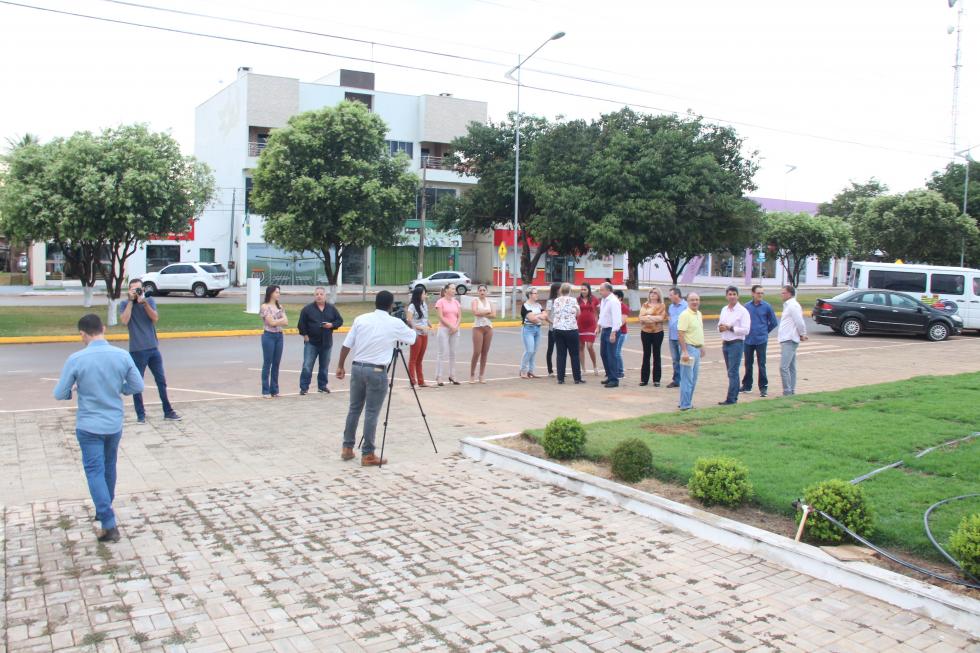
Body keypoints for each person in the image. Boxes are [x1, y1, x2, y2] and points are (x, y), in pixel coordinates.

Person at [53, 314, 144, 543]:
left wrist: (73, 390)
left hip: (89, 425)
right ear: (103, 328)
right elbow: (137, 385)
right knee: (109, 466)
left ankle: (108, 522)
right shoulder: (122, 355)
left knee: (94, 471)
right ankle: (105, 508)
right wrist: (121, 389)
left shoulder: (76, 359)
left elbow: (59, 393)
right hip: (113, 423)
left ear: (82, 334)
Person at [336, 291, 417, 466]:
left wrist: (340, 365)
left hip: (357, 367)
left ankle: (347, 447)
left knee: (354, 409)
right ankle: (368, 453)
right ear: (390, 305)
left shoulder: (361, 319)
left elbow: (346, 345)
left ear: (375, 303)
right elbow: (412, 338)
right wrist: (407, 322)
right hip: (376, 371)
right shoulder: (394, 323)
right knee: (371, 412)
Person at [119, 278, 180, 423]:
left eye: (138, 289)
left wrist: (144, 302)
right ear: (129, 290)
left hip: (153, 348)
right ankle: (140, 415)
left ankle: (168, 411)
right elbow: (124, 320)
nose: (136, 292)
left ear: (143, 289)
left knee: (161, 381)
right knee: (137, 384)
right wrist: (130, 302)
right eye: (133, 289)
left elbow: (155, 318)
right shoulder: (124, 304)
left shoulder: (149, 301)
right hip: (137, 350)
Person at [297, 287, 344, 395]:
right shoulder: (307, 309)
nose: (319, 296)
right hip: (311, 342)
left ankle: (322, 386)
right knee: (307, 366)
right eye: (317, 294)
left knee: (324, 366)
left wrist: (332, 325)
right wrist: (305, 335)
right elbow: (301, 324)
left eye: (321, 294)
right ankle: (304, 388)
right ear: (314, 296)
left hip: (326, 342)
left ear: (325, 296)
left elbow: (339, 321)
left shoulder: (331, 309)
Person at [741, 285, 779, 398]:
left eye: (762, 293)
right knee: (748, 363)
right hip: (748, 340)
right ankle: (747, 385)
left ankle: (763, 387)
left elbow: (773, 322)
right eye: (758, 293)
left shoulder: (767, 306)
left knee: (761, 364)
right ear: (753, 293)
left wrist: (764, 332)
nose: (760, 295)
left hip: (761, 340)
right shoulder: (746, 307)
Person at [717, 286, 751, 405]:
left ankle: (732, 398)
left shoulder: (743, 311)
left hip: (736, 343)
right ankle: (732, 397)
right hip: (725, 343)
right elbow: (719, 325)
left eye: (734, 294)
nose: (732, 296)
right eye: (730, 294)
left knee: (733, 372)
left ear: (738, 296)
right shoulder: (724, 310)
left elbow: (746, 330)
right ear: (726, 296)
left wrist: (731, 328)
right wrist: (721, 328)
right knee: (730, 372)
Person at [778, 284, 808, 396]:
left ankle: (787, 391)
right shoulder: (788, 305)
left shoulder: (793, 306)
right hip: (787, 339)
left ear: (790, 294)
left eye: (784, 292)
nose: (781, 294)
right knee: (791, 367)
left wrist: (802, 334)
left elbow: (799, 322)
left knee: (784, 367)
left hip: (789, 339)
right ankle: (791, 390)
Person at [551, 283, 584, 384]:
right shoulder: (573, 300)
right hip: (571, 329)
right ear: (569, 291)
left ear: (561, 291)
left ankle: (560, 378)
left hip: (558, 328)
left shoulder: (556, 300)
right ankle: (577, 378)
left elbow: (555, 312)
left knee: (561, 354)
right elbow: (578, 313)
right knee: (574, 354)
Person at [677, 292, 705, 411]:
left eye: (697, 299)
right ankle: (685, 405)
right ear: (687, 301)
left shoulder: (698, 314)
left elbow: (699, 331)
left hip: (697, 349)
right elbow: (680, 334)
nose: (695, 302)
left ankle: (685, 401)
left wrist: (702, 346)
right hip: (688, 349)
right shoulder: (685, 315)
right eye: (692, 300)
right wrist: (684, 351)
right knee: (687, 379)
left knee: (693, 379)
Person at [259, 285, 288, 398]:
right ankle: (265, 390)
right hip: (268, 336)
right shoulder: (265, 306)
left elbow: (286, 322)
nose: (278, 294)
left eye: (279, 292)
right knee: (268, 363)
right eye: (276, 292)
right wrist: (279, 320)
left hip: (279, 335)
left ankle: (274, 390)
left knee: (276, 363)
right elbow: (271, 323)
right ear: (270, 293)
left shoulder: (280, 307)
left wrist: (277, 321)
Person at [596, 282, 622, 388]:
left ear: (608, 290)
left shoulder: (613, 301)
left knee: (611, 355)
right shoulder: (604, 300)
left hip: (612, 330)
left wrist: (613, 332)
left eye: (602, 290)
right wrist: (598, 326)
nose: (600, 292)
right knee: (604, 354)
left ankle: (614, 379)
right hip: (605, 329)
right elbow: (602, 315)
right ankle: (609, 375)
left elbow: (616, 318)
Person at [638, 287, 667, 387]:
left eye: (655, 293)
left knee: (656, 355)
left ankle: (656, 379)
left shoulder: (662, 305)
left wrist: (648, 317)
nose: (652, 294)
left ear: (659, 295)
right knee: (646, 355)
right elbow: (641, 318)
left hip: (657, 332)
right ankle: (644, 379)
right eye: (651, 292)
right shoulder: (645, 305)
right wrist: (653, 318)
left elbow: (661, 318)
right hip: (645, 332)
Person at [434, 284, 462, 386]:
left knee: (453, 353)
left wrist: (455, 327)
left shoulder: (456, 302)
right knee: (442, 353)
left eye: (454, 289)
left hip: (455, 329)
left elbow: (459, 316)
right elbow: (440, 317)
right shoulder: (440, 302)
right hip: (444, 329)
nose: (454, 290)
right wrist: (450, 326)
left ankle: (452, 375)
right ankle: (439, 377)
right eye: (452, 288)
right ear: (446, 290)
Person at [405, 286, 431, 387]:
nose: (425, 295)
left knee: (420, 359)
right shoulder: (412, 306)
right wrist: (420, 327)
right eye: (424, 294)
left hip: (424, 334)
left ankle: (421, 381)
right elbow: (409, 321)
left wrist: (429, 324)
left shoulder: (424, 304)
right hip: (416, 335)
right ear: (419, 295)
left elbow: (425, 318)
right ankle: (413, 382)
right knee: (413, 359)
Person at [469, 284, 495, 383]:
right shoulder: (475, 301)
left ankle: (481, 375)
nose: (482, 292)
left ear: (486, 292)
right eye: (480, 290)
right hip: (478, 328)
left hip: (488, 328)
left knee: (485, 352)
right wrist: (487, 312)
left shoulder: (490, 302)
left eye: (484, 290)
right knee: (477, 352)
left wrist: (483, 312)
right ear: (478, 292)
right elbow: (475, 312)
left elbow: (493, 315)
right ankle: (472, 374)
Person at [520, 287, 546, 378]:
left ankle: (530, 371)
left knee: (534, 351)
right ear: (530, 295)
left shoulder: (538, 305)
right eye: (535, 293)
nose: (537, 295)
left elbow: (545, 315)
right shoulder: (525, 306)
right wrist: (539, 316)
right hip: (528, 329)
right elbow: (532, 319)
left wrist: (536, 316)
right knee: (529, 351)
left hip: (537, 329)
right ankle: (523, 370)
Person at [665, 287, 688, 389]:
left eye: (671, 295)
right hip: (672, 336)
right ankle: (676, 380)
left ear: (677, 295)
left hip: (682, 337)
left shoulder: (686, 306)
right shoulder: (671, 307)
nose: (669, 297)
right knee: (675, 359)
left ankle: (685, 379)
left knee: (683, 359)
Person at [577, 283, 601, 376]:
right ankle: (583, 369)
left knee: (589, 346)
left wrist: (598, 326)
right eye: (582, 289)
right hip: (580, 325)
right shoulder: (577, 300)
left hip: (591, 325)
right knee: (580, 346)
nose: (583, 291)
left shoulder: (594, 299)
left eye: (585, 289)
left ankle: (595, 366)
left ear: (589, 290)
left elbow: (599, 313)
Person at [545, 282, 561, 377]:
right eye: (560, 288)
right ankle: (550, 370)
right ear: (556, 290)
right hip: (552, 329)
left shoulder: (562, 300)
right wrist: (553, 323)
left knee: (561, 350)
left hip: (561, 329)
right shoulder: (550, 302)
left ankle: (560, 370)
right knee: (550, 350)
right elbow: (546, 316)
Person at [613, 289, 630, 380]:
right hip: (613, 332)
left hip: (621, 333)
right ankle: (614, 370)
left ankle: (620, 372)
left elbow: (622, 321)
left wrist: (613, 328)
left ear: (620, 298)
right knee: (612, 352)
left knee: (617, 352)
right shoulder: (613, 306)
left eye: (614, 296)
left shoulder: (624, 307)